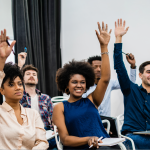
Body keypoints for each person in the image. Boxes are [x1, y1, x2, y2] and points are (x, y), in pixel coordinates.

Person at [52, 22, 121, 150]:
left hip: (103, 145)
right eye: (74, 82)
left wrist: (104, 46)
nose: (79, 85)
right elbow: (65, 139)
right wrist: (88, 139)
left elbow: (105, 79)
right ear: (66, 84)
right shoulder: (59, 107)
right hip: (81, 147)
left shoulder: (91, 100)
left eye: (82, 82)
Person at [0, 29, 48, 149]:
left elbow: (43, 142)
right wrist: (2, 59)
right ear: (2, 90)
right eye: (11, 85)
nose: (18, 88)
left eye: (20, 84)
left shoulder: (32, 114)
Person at [114, 18, 150, 149]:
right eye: (148, 72)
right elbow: (119, 67)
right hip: (133, 138)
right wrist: (118, 38)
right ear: (140, 75)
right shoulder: (130, 89)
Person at [18, 54, 57, 149]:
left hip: (46, 132)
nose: (31, 76)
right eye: (28, 74)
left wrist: (56, 128)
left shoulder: (46, 98)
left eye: (34, 75)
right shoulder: (18, 97)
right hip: (26, 133)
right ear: (22, 79)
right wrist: (20, 65)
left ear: (37, 80)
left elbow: (53, 118)